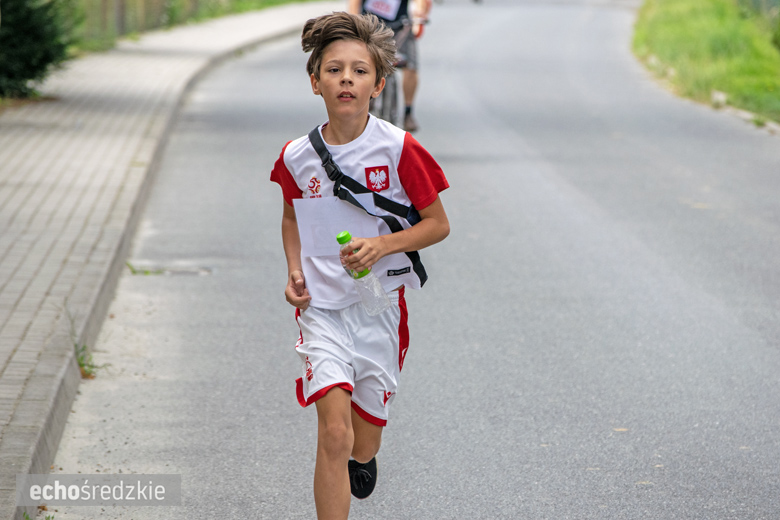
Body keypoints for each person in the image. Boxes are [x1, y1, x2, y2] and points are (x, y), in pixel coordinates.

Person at [269, 12, 450, 520]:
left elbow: (437, 224)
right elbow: (291, 215)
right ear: (314, 82)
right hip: (322, 310)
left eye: (358, 71)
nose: (346, 79)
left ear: (378, 83)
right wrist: (294, 270)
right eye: (333, 70)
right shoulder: (297, 155)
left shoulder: (399, 149)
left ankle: (364, 457)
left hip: (379, 311)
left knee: (362, 438)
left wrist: (383, 245)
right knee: (333, 431)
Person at [348, 0, 431, 132]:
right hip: (369, 26)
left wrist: (419, 14)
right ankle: (357, 107)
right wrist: (353, 21)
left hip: (400, 26)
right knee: (359, 64)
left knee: (411, 64)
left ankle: (408, 112)